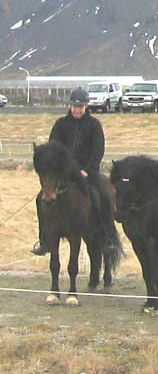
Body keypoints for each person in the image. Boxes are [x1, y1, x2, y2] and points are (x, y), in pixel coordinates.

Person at [32, 87, 118, 256]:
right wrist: (61, 169)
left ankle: (108, 237)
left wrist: (87, 170)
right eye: (75, 106)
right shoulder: (60, 124)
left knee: (102, 195)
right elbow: (54, 149)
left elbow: (98, 150)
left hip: (88, 172)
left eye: (80, 107)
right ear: (70, 106)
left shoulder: (94, 125)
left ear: (86, 107)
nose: (77, 110)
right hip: (64, 173)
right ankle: (44, 240)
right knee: (40, 199)